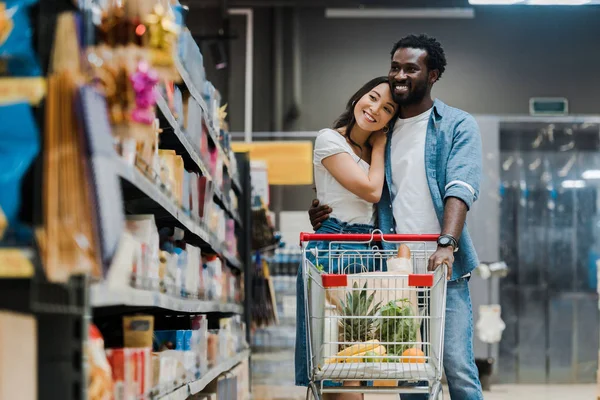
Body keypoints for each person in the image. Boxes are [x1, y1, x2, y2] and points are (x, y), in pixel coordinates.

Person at [308, 34, 484, 400]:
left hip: (442, 266)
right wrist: (324, 209)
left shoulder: (456, 125)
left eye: (410, 69)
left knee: (458, 367)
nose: (399, 75)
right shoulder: (381, 133)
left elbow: (460, 187)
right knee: (409, 372)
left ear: (432, 75)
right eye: (395, 67)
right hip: (395, 269)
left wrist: (447, 243)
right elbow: (360, 185)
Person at [295, 76, 398, 400]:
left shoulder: (378, 153)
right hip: (335, 247)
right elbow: (371, 191)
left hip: (368, 247)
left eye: (387, 109)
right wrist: (379, 146)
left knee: (358, 357)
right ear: (358, 96)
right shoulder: (329, 139)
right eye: (372, 97)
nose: (374, 109)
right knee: (335, 363)